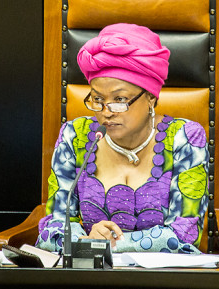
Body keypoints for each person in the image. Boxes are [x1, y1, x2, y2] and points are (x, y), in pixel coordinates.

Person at [35, 23, 209, 254]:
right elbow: (53, 228)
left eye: (120, 99)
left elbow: (185, 235)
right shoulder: (74, 136)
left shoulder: (185, 139)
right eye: (97, 99)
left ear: (150, 97)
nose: (107, 111)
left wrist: (104, 245)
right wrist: (83, 240)